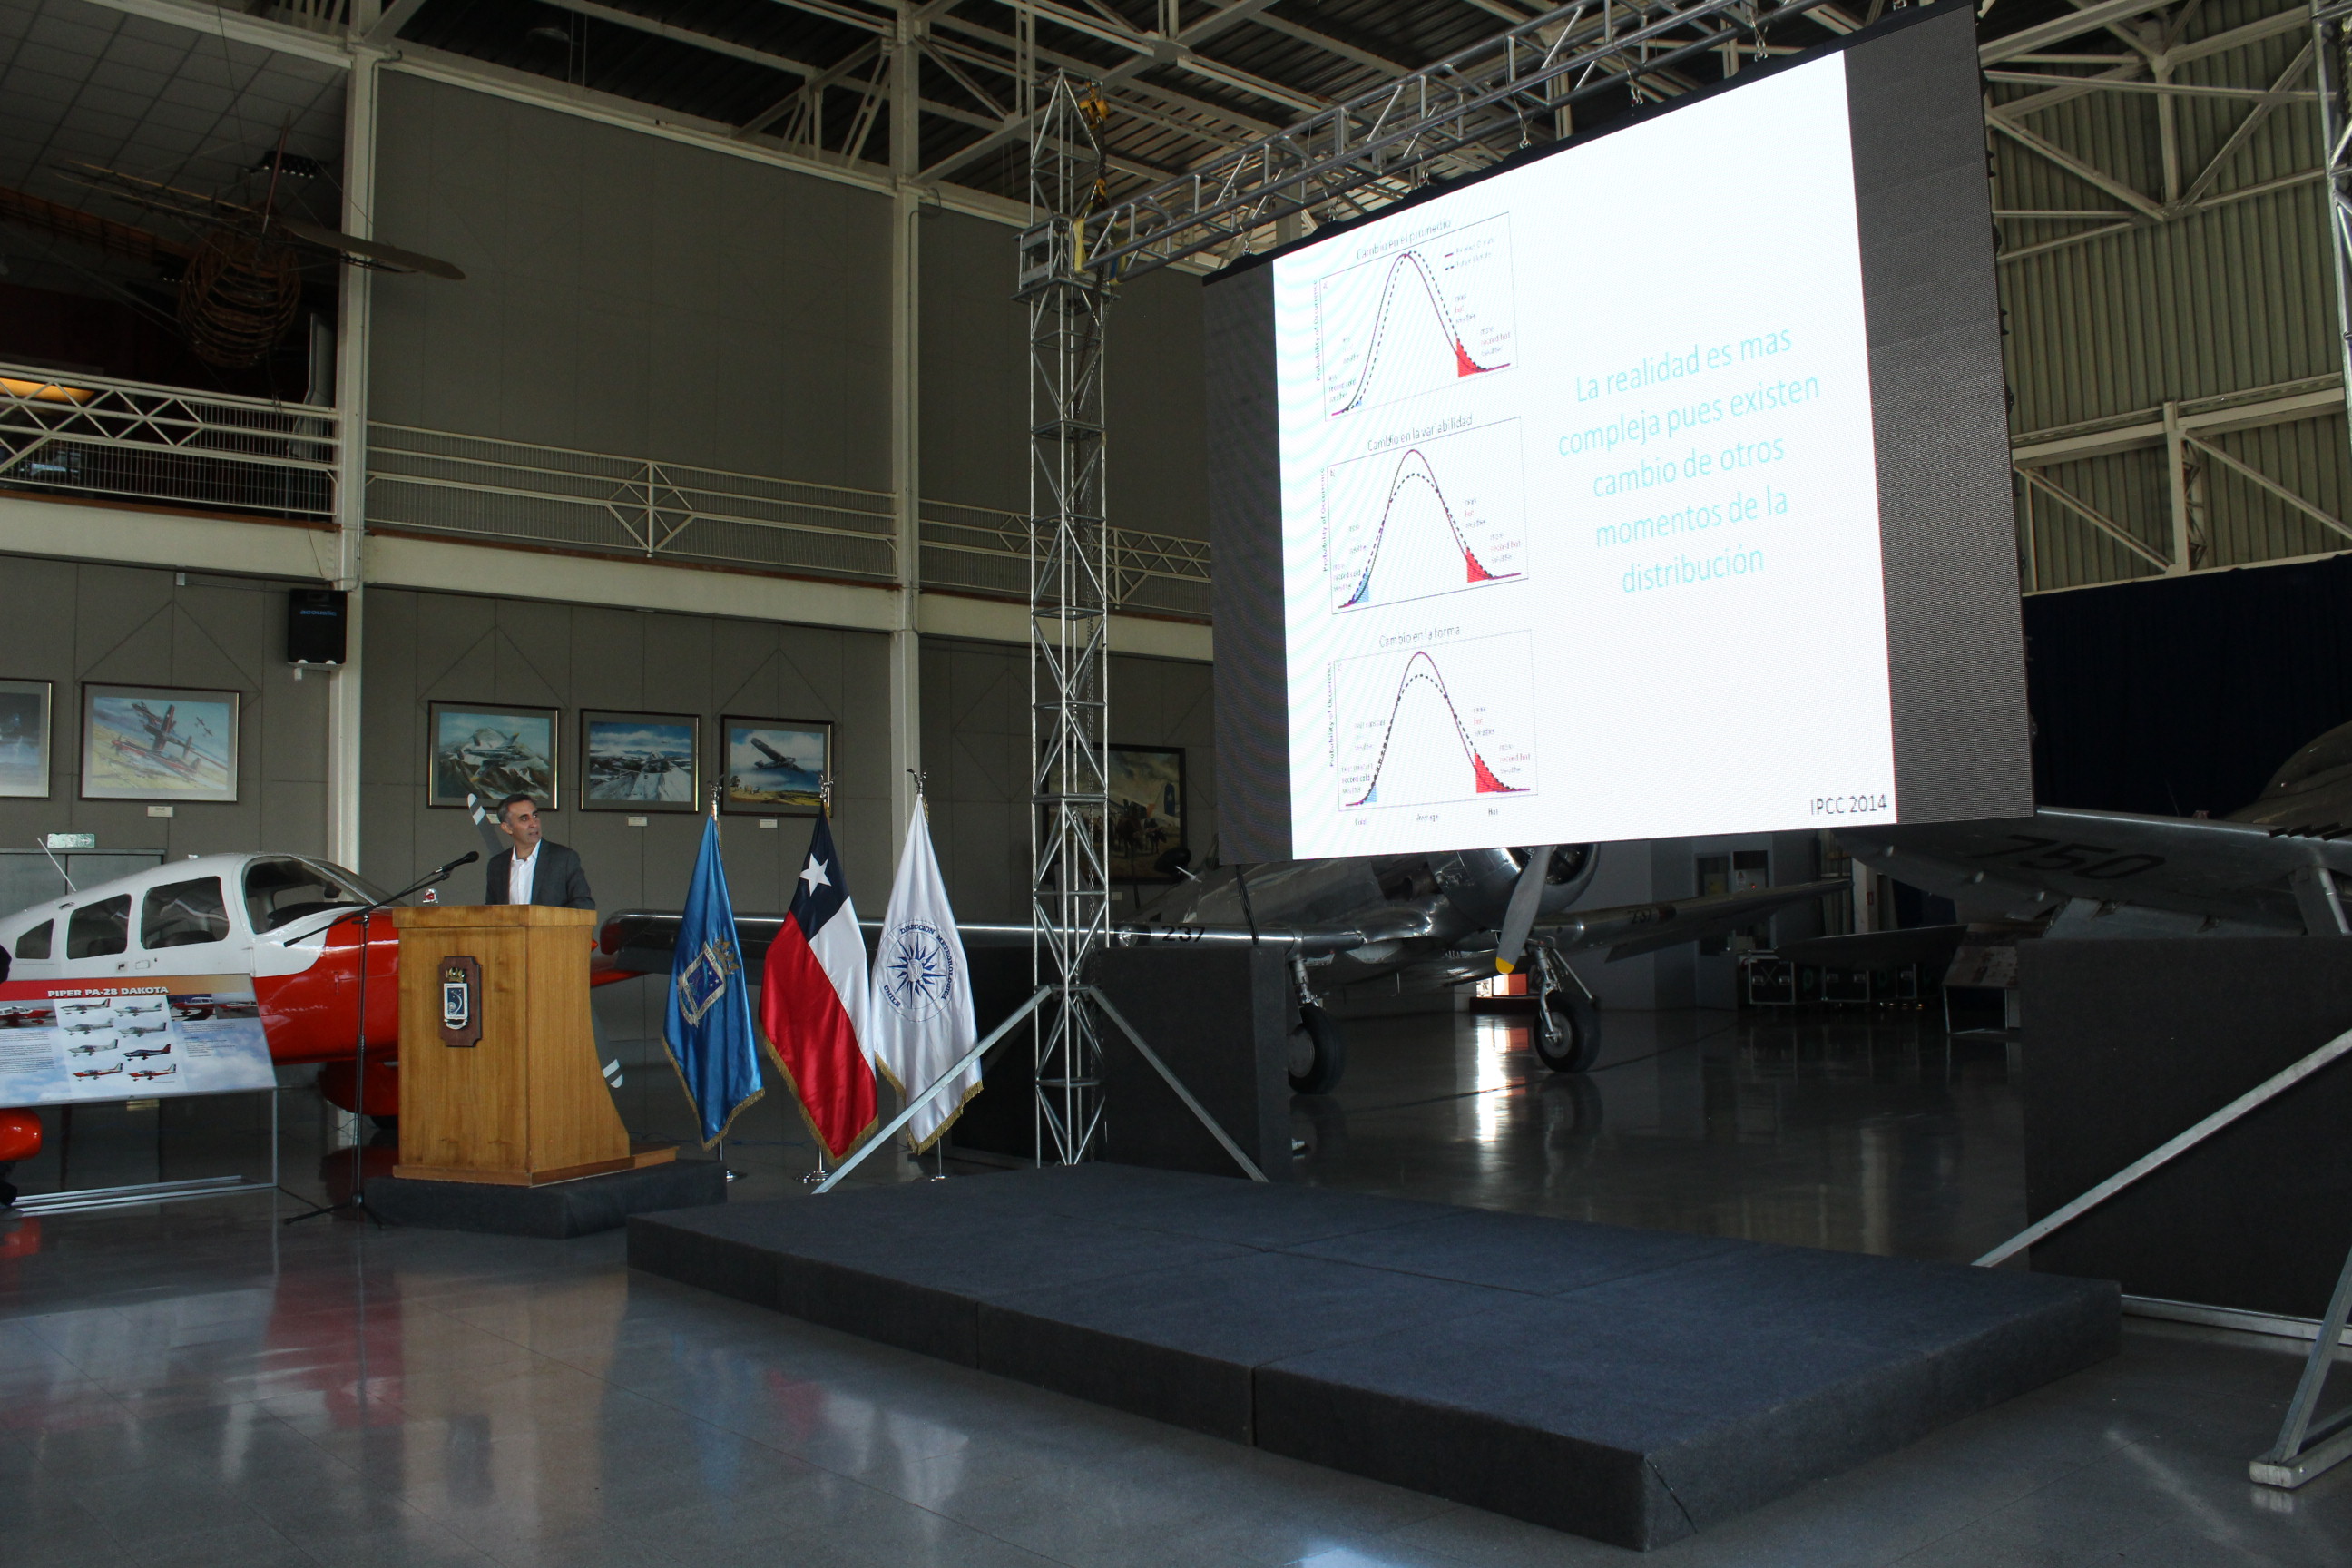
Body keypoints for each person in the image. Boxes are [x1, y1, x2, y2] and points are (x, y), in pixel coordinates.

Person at [485, 794, 594, 909]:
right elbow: (490, 910)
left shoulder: (563, 858)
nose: (534, 824)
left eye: (535, 816)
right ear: (507, 828)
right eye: (524, 819)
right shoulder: (497, 864)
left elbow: (584, 904)